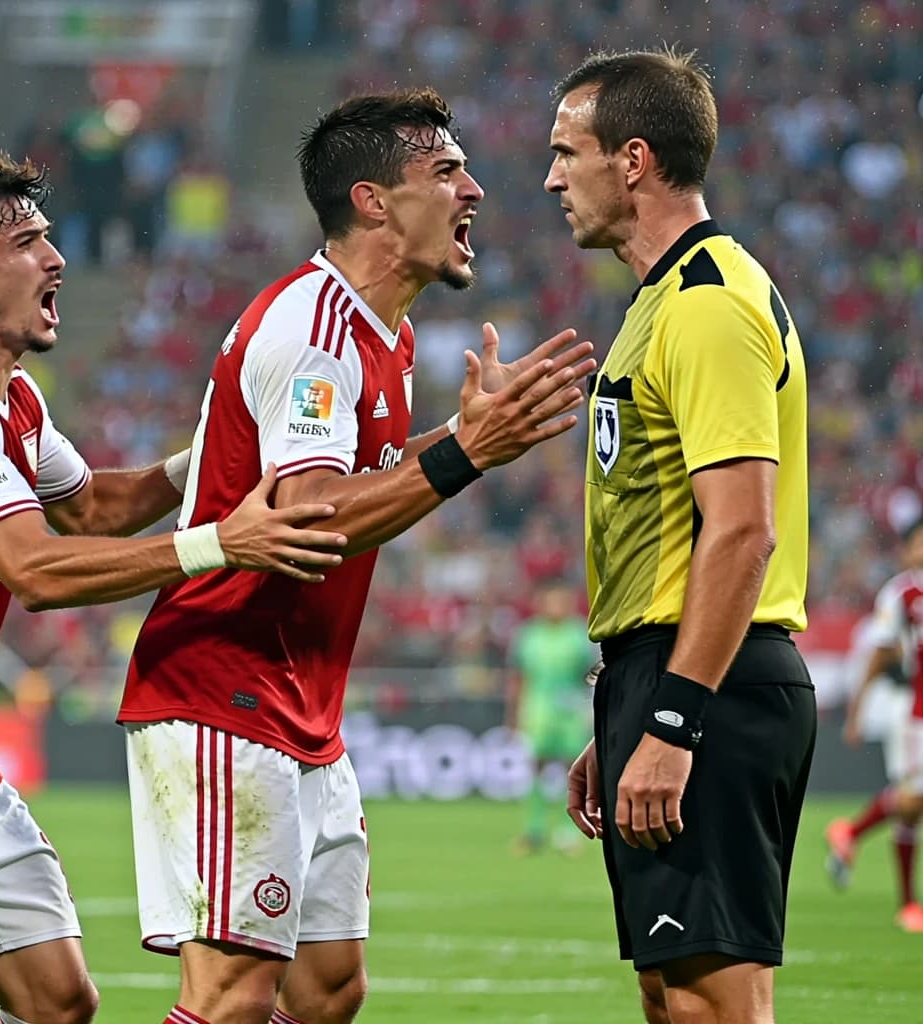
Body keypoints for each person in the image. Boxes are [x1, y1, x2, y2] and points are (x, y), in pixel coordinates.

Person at [117, 87, 595, 1024]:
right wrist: (464, 454)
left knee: (329, 989)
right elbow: (307, 519)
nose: (477, 193)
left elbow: (359, 472)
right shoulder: (313, 330)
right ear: (375, 200)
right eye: (447, 173)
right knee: (231, 994)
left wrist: (463, 431)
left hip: (302, 699)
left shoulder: (386, 331)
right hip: (224, 683)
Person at [0, 156, 350, 1024]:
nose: (57, 257)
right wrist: (219, 543)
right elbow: (33, 566)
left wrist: (224, 439)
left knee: (59, 1003)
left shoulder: (14, 400)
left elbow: (98, 507)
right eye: (27, 242)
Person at [548, 49, 816, 1024]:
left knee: (712, 1002)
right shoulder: (657, 302)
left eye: (564, 152)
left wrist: (671, 720)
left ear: (631, 160)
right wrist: (623, 705)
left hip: (715, 680)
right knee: (670, 997)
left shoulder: (705, 305)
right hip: (664, 672)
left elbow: (742, 530)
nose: (548, 178)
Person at [826, 516, 923, 932]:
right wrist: (857, 712)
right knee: (912, 802)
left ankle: (852, 832)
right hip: (917, 712)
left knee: (912, 806)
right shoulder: (903, 592)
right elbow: (880, 654)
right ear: (905, 549)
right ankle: (853, 831)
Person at [506, 576, 594, 855]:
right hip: (538, 710)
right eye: (551, 600)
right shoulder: (528, 635)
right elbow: (519, 678)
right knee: (536, 768)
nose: (556, 605)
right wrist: (514, 715)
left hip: (571, 712)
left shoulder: (581, 634)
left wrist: (589, 705)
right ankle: (534, 830)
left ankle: (571, 832)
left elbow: (593, 673)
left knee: (574, 771)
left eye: (562, 599)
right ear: (541, 603)